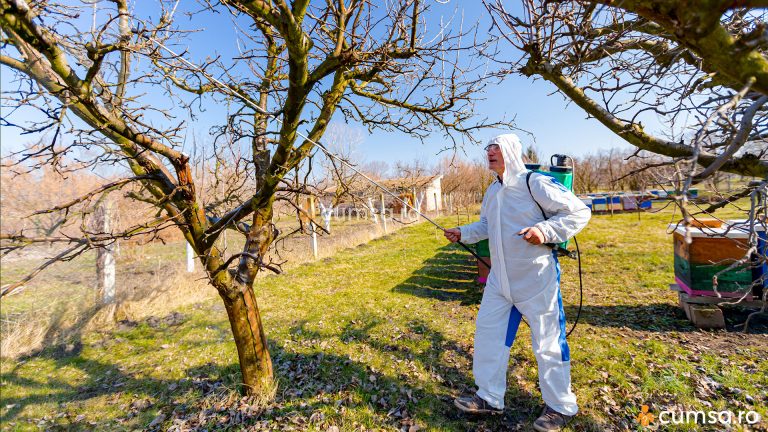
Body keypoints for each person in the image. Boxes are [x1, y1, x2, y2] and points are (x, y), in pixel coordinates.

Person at [443, 134, 590, 432]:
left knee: (547, 343)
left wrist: (544, 231)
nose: (490, 152)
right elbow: (486, 225)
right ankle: (489, 397)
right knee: (488, 336)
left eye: (496, 147)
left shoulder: (533, 183)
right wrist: (463, 232)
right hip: (499, 280)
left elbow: (578, 211)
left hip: (536, 278)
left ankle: (560, 407)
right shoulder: (491, 191)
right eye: (488, 148)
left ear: (511, 151)